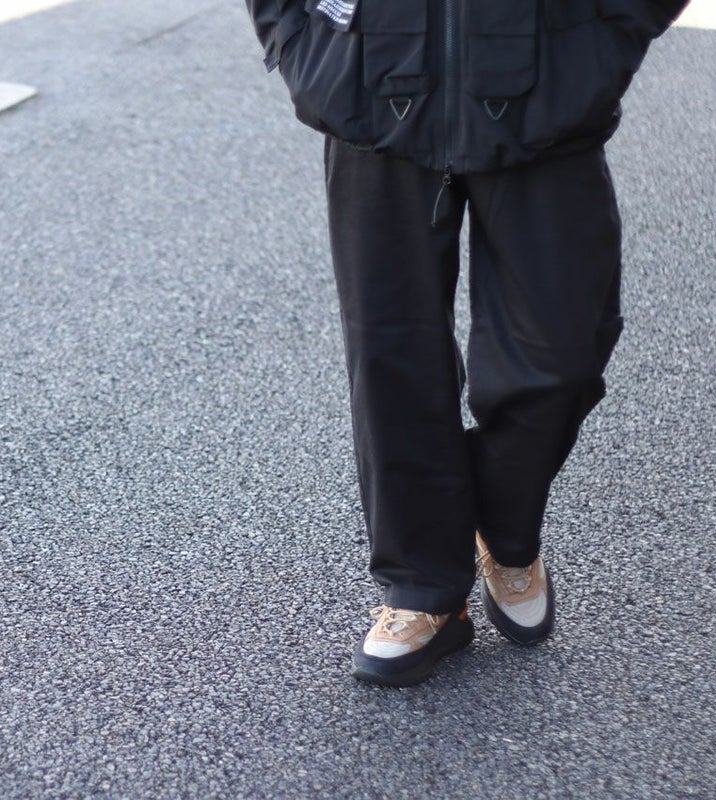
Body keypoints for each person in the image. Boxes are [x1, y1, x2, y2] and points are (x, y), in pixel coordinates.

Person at [245, 0, 689, 686]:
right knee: (392, 357)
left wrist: (602, 42)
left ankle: (505, 530)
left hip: (547, 85)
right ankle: (423, 589)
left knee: (562, 356)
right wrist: (302, 45)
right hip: (374, 78)